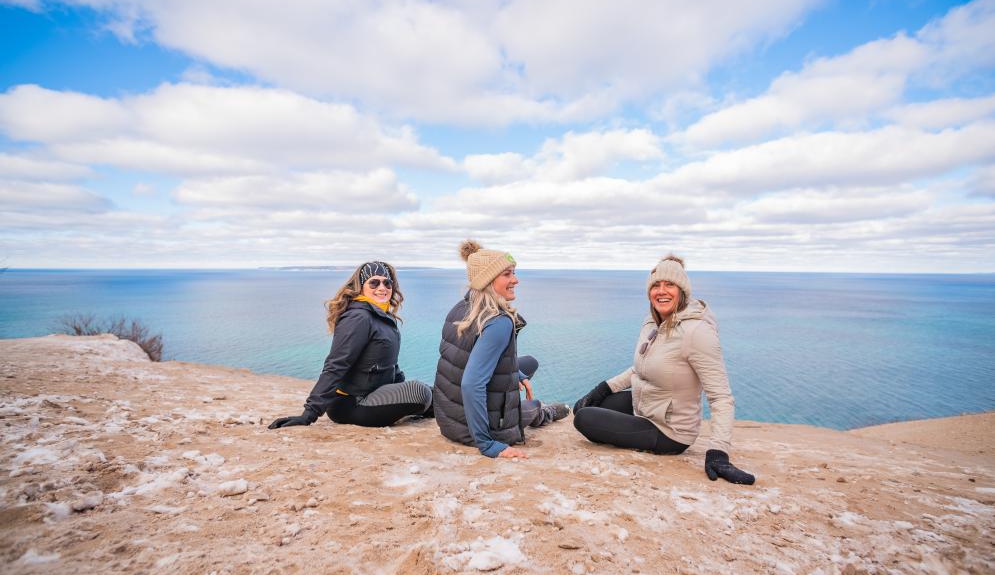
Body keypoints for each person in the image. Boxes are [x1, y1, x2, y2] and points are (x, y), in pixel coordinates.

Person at [572, 254, 755, 484]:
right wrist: (603, 388)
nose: (662, 291)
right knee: (587, 405)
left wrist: (719, 453)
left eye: (670, 285)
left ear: (682, 291)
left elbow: (720, 397)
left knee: (585, 418)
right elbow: (640, 367)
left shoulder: (697, 332)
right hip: (646, 406)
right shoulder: (651, 322)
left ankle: (654, 440)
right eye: (656, 285)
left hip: (669, 430)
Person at [433, 240, 569, 458]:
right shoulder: (498, 321)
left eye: (513, 273)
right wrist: (487, 444)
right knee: (531, 406)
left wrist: (518, 374)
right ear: (488, 280)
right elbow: (471, 384)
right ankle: (545, 413)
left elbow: (461, 365)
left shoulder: (459, 309)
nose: (516, 280)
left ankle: (521, 381)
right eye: (507, 274)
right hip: (478, 430)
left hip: (449, 419)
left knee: (528, 363)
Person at [268, 261, 432, 429]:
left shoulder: (382, 316)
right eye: (374, 282)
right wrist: (309, 414)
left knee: (434, 392)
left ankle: (436, 407)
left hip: (376, 393)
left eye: (387, 282)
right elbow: (336, 365)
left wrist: (401, 389)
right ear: (361, 286)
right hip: (352, 404)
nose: (382, 287)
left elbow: (390, 365)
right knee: (420, 392)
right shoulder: (358, 317)